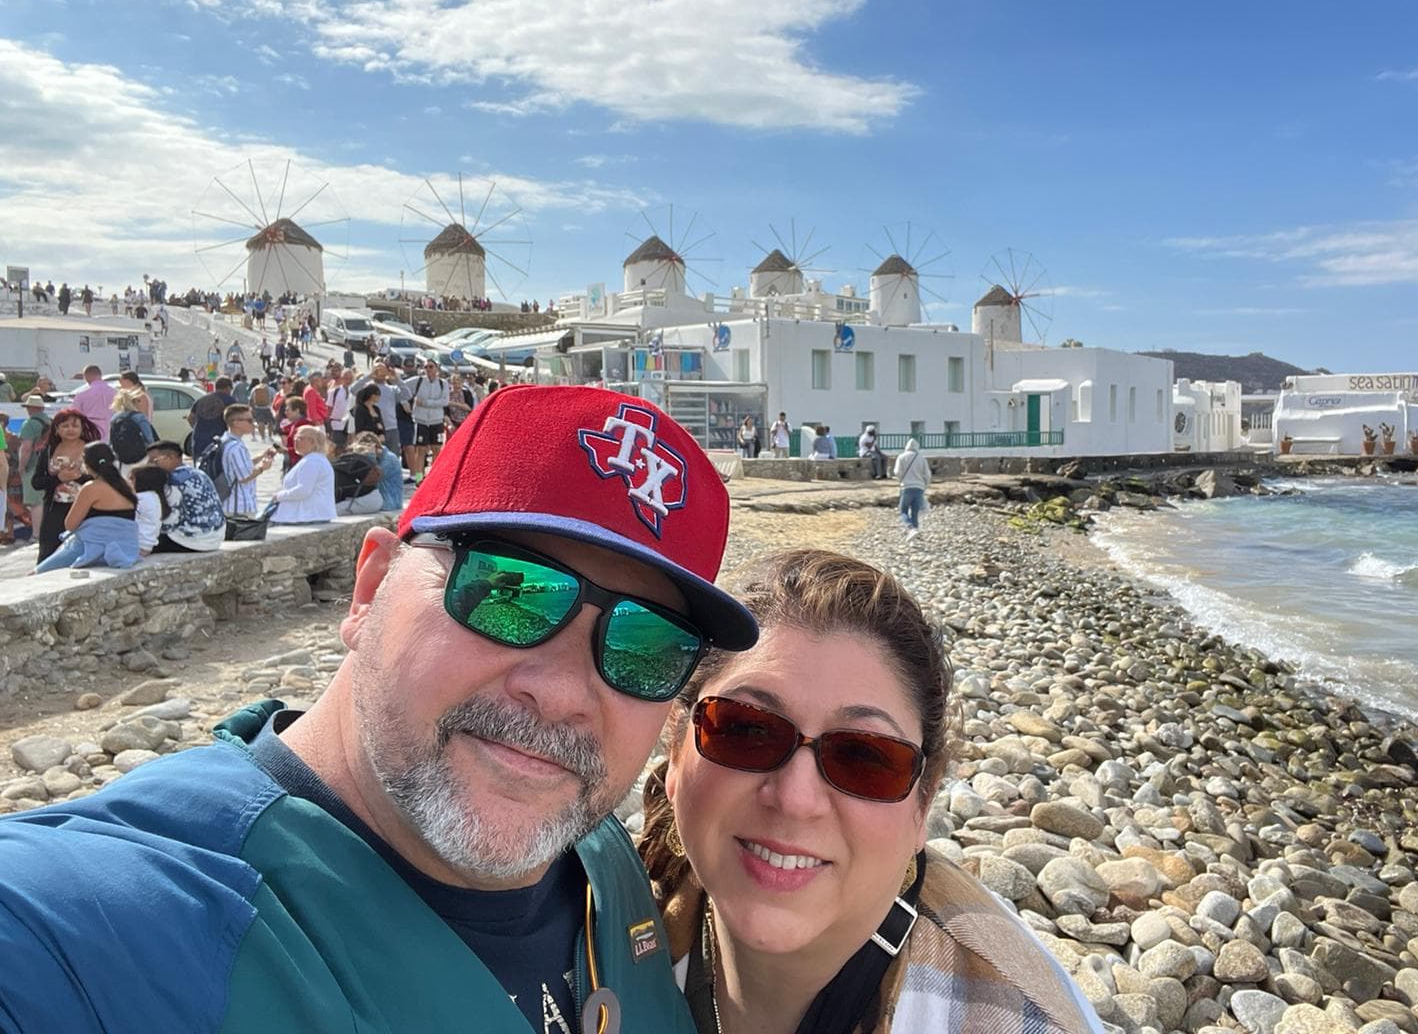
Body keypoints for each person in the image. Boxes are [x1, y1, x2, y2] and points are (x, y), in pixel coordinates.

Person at [0, 386, 757, 1033]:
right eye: (508, 590)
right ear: (370, 590)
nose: (561, 694)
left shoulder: (600, 864)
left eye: (648, 647)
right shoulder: (117, 922)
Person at [639, 550, 1098, 1034]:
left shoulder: (1010, 1018)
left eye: (863, 758)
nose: (795, 798)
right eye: (747, 730)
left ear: (924, 804)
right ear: (677, 750)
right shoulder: (592, 914)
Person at [32, 443, 140, 573]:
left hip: (91, 547)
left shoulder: (91, 488)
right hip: (126, 547)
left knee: (37, 573)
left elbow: (70, 525)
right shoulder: (128, 485)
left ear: (87, 465)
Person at [31, 409, 95, 562]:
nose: (70, 430)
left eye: (75, 426)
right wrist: (58, 478)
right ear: (57, 429)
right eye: (65, 426)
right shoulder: (48, 450)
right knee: (49, 552)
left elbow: (105, 479)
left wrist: (80, 478)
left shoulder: (92, 449)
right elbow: (37, 482)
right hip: (55, 510)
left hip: (87, 509)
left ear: (82, 428)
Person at [144, 441, 226, 554]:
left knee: (143, 541)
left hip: (192, 541)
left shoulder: (173, 481)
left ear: (170, 457)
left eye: (154, 461)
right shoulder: (199, 473)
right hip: (216, 537)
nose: (150, 466)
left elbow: (170, 522)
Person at [269, 426, 337, 524]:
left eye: (300, 438)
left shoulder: (312, 461)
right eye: (295, 438)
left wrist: (278, 496)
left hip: (307, 516)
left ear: (313, 442)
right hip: (308, 515)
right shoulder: (313, 459)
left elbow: (303, 490)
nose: (296, 441)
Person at [219, 404, 277, 516]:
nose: (253, 423)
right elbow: (244, 477)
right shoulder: (236, 447)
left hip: (230, 504)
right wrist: (262, 468)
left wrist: (260, 457)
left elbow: (237, 467)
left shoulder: (226, 440)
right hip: (239, 506)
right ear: (236, 423)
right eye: (249, 420)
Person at [404, 360, 450, 478]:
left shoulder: (443, 383)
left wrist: (425, 403)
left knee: (436, 449)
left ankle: (433, 477)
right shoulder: (417, 381)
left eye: (431, 367)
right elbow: (401, 388)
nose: (428, 369)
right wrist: (406, 404)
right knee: (420, 450)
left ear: (437, 368)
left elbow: (444, 401)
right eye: (426, 367)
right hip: (421, 420)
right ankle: (419, 478)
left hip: (437, 420)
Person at [14, 394, 50, 538]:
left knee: (36, 503)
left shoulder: (29, 424)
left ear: (30, 408)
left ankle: (36, 534)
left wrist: (21, 466)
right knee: (46, 501)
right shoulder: (50, 421)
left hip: (34, 466)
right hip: (49, 465)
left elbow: (27, 447)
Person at [348, 431, 405, 511]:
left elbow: (371, 478)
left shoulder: (390, 459)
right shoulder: (381, 457)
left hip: (390, 501)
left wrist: (370, 456)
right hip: (380, 499)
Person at [187, 376, 233, 463]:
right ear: (228, 388)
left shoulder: (201, 399)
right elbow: (234, 421)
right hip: (219, 440)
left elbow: (190, 418)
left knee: (200, 467)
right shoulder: (230, 401)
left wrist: (198, 428)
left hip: (199, 438)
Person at [891, 438, 931, 539]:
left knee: (903, 510)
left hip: (906, 487)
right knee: (915, 511)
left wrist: (901, 480)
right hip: (919, 488)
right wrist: (925, 485)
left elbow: (897, 472)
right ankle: (915, 531)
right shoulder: (922, 458)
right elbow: (927, 475)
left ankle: (911, 528)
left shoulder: (901, 457)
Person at [108, 388, 157, 468]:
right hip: (141, 457)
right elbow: (150, 439)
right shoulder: (139, 418)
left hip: (122, 459)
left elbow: (110, 441)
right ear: (134, 402)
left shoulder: (115, 418)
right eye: (138, 401)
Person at [130, 465, 170, 556]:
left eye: (132, 479)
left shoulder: (141, 498)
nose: (129, 482)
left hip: (138, 544)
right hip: (148, 546)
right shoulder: (155, 497)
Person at [74, 364, 117, 441]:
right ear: (100, 375)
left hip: (90, 430)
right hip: (112, 430)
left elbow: (74, 414)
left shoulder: (81, 395)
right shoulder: (116, 393)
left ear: (86, 377)